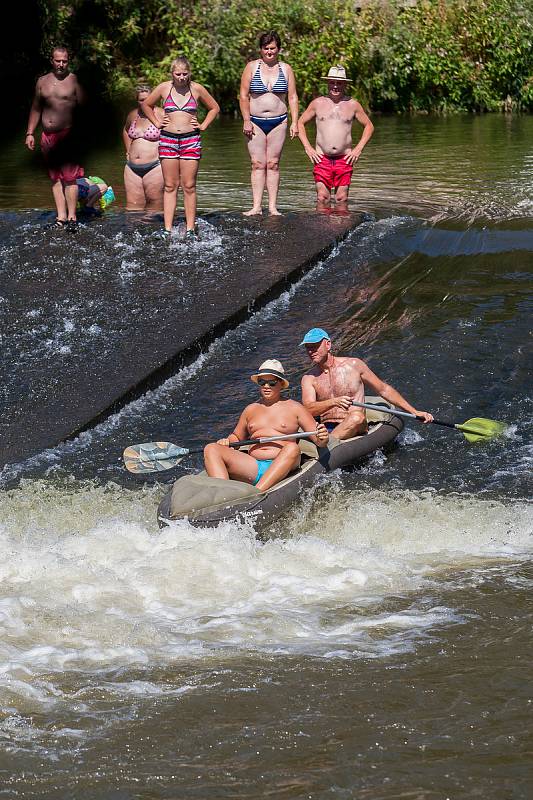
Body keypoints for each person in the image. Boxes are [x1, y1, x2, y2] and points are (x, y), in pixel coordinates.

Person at [204, 360, 329, 492]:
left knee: (292, 448)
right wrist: (227, 441)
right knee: (211, 448)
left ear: (281, 384)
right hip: (254, 465)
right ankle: (224, 496)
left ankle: (256, 494)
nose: (266, 386)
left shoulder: (296, 408)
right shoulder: (250, 409)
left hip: (283, 463)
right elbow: (237, 437)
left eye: (271, 382)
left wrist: (323, 437)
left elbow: (319, 440)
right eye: (262, 382)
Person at [300, 328, 434, 439]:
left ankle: (327, 450)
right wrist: (333, 402)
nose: (311, 351)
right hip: (327, 427)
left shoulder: (354, 365)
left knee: (356, 417)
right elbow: (308, 409)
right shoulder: (309, 378)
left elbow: (383, 390)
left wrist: (415, 411)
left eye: (315, 346)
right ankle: (326, 445)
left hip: (356, 423)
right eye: (308, 348)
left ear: (328, 344)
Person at [141, 56, 219, 239]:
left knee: (189, 185)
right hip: (168, 139)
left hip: (191, 139)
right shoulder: (163, 88)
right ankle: (167, 229)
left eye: (185, 74)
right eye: (178, 74)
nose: (182, 77)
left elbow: (214, 108)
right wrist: (157, 121)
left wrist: (204, 125)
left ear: (189, 73)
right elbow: (146, 105)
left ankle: (190, 229)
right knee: (170, 185)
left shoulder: (197, 89)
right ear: (172, 74)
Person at [25, 46, 85, 231]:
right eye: (58, 60)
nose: (61, 64)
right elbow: (36, 108)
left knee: (70, 178)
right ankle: (61, 217)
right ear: (52, 60)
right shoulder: (42, 81)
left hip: (67, 135)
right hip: (47, 136)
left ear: (68, 61)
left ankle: (73, 217)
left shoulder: (74, 80)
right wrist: (30, 132)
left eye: (64, 61)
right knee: (55, 178)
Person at [239, 31, 299, 216]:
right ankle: (256, 206)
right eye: (266, 48)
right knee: (257, 163)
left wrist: (295, 122)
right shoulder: (251, 67)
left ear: (279, 49)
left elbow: (293, 97)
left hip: (279, 121)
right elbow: (243, 95)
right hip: (255, 121)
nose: (269, 52)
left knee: (273, 163)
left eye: (273, 48)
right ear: (260, 49)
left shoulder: (286, 69)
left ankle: (272, 207)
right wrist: (246, 120)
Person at [297, 65, 374, 210]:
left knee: (341, 198)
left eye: (339, 83)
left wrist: (358, 149)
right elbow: (300, 123)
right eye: (332, 82)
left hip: (344, 159)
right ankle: (323, 228)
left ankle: (340, 227)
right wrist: (308, 148)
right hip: (321, 158)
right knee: (322, 198)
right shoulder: (318, 103)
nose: (335, 86)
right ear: (328, 83)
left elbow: (369, 126)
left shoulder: (352, 105)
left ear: (345, 84)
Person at [122, 85, 164, 211]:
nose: (144, 102)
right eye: (141, 100)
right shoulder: (133, 115)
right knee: (133, 206)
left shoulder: (162, 114)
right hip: (131, 168)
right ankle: (133, 231)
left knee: (154, 204)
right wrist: (128, 151)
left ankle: (156, 230)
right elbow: (125, 130)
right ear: (137, 100)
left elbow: (173, 134)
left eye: (148, 99)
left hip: (155, 166)